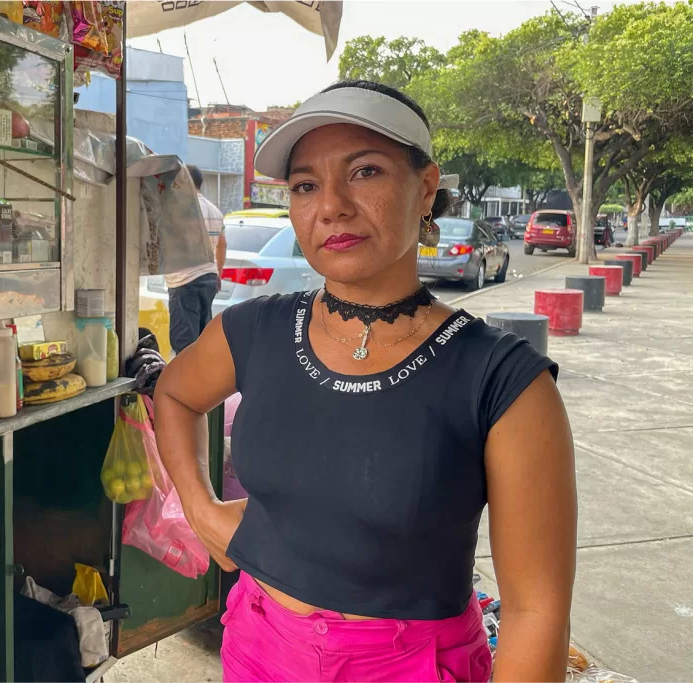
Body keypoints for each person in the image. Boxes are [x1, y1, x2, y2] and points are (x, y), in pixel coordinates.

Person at [153, 81, 577, 682]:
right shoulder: (255, 330)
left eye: (365, 172)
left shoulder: (501, 380)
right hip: (256, 651)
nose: (331, 206)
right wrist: (199, 508)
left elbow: (536, 613)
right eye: (305, 185)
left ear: (426, 187)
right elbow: (173, 393)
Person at [165, 164, 227, 354]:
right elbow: (222, 245)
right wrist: (218, 273)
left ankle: (187, 383)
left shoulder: (183, 208)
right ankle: (204, 382)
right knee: (201, 340)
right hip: (208, 278)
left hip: (185, 280)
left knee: (184, 344)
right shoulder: (215, 211)